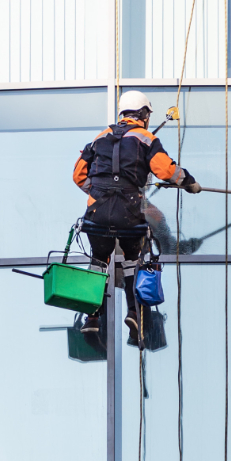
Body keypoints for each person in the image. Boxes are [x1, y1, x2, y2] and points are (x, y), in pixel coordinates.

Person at [73, 91, 201, 340]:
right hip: (129, 214)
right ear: (143, 114)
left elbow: (78, 175)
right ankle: (133, 312)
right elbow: (166, 170)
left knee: (99, 260)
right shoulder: (146, 138)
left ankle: (92, 317)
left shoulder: (100, 138)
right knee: (133, 259)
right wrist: (188, 181)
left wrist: (99, 193)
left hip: (97, 215)